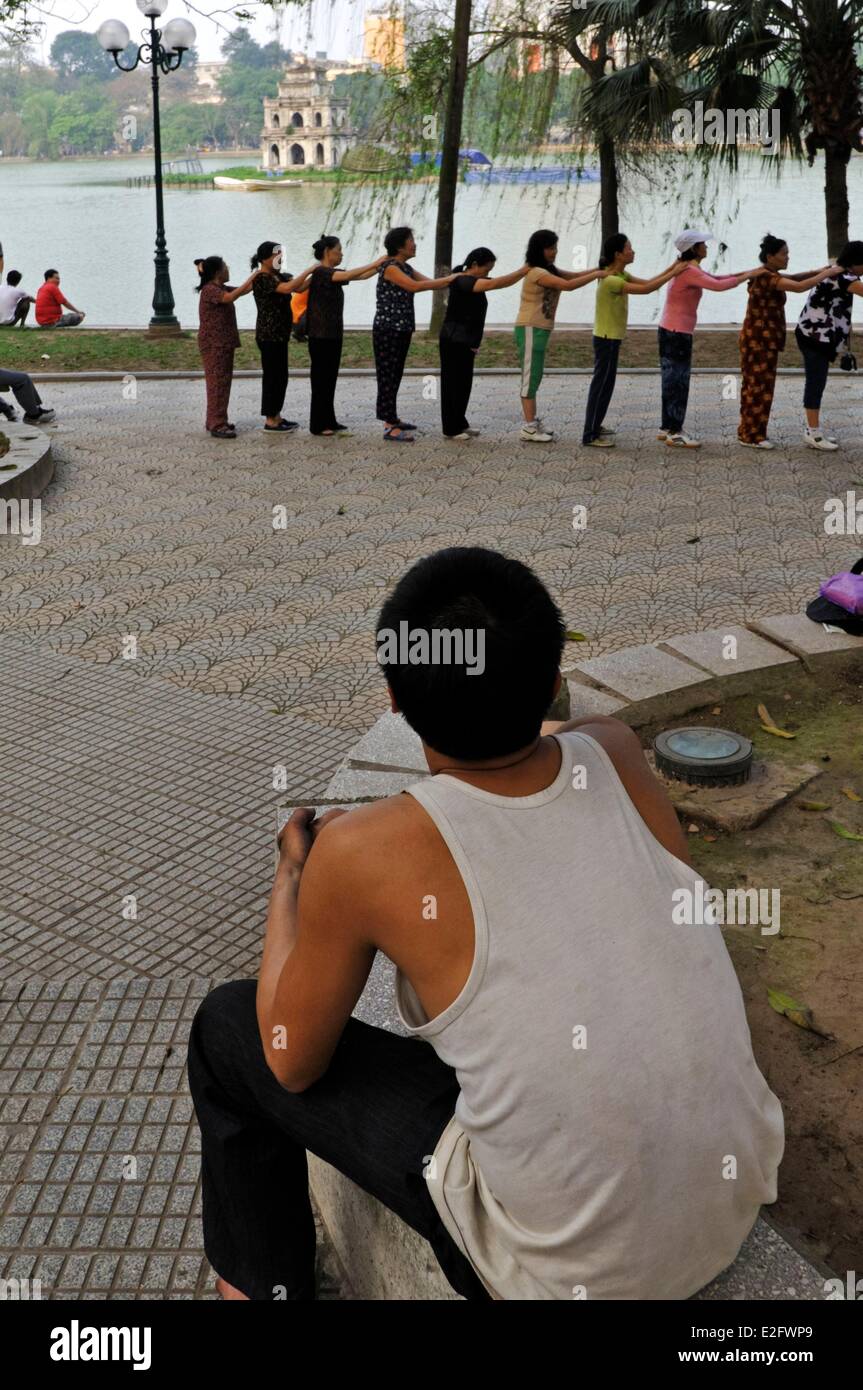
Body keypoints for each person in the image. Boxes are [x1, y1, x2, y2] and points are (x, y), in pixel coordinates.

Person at [188, 545, 785, 1302]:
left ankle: (257, 1287)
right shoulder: (614, 753)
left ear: (394, 699)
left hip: (557, 1271)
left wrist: (295, 877)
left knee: (226, 1029)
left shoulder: (361, 852)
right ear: (553, 683)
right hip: (730, 1198)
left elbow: (290, 1061)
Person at [657, 230, 765, 448]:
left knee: (671, 380)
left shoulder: (689, 269)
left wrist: (749, 272)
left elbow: (716, 278)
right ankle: (675, 432)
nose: (706, 247)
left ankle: (667, 427)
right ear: (694, 248)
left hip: (670, 329)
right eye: (703, 244)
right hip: (677, 333)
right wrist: (748, 275)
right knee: (678, 381)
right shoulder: (689, 271)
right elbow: (718, 286)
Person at [582, 235, 685, 448]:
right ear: (618, 254)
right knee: (601, 386)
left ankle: (595, 425)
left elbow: (649, 282)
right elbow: (647, 290)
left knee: (606, 385)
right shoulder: (612, 280)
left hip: (611, 338)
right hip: (606, 339)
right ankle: (589, 434)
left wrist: (675, 265)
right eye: (629, 248)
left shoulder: (620, 274)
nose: (633, 251)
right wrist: (674, 273)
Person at [737, 236, 840, 450]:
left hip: (764, 340)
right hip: (759, 341)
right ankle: (751, 436)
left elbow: (794, 277)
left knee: (758, 386)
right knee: (757, 387)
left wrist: (817, 271)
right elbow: (799, 286)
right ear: (770, 256)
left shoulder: (768, 274)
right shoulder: (766, 277)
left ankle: (750, 433)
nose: (787, 257)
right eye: (783, 253)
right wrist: (826, 274)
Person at [515, 229, 607, 443]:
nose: (554, 252)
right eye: (550, 248)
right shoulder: (537, 272)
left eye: (555, 248)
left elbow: (572, 276)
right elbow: (568, 286)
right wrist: (597, 275)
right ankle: (528, 427)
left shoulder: (549, 269)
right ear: (539, 249)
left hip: (540, 330)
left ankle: (533, 422)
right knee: (529, 378)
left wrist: (598, 269)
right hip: (529, 328)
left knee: (535, 376)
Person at [373, 226, 456, 442]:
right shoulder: (390, 267)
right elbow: (414, 287)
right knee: (388, 375)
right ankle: (389, 425)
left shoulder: (405, 267)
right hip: (388, 329)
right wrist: (451, 279)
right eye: (411, 240)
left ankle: (392, 418)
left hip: (402, 328)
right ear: (400, 245)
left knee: (395, 373)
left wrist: (454, 281)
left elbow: (427, 282)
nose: (415, 243)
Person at [438, 248, 528, 440]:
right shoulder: (461, 280)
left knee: (463, 383)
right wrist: (523, 270)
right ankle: (451, 428)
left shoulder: (474, 281)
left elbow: (501, 282)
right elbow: (496, 283)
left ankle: (460, 422)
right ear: (475, 265)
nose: (489, 274)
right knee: (452, 384)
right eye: (487, 269)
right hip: (453, 340)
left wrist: (523, 272)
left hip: (465, 340)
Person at [306, 236, 386, 436]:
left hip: (332, 334)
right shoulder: (321, 272)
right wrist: (376, 262)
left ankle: (329, 420)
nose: (341, 253)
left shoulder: (332, 273)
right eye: (339, 250)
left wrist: (382, 266)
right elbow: (351, 274)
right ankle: (318, 424)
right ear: (328, 252)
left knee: (330, 378)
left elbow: (359, 276)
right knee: (321, 379)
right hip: (320, 335)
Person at [795, 239, 863, 451]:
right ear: (856, 262)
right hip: (815, 337)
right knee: (816, 381)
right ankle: (813, 433)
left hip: (813, 333)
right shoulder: (844, 277)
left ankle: (812, 429)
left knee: (817, 381)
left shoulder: (837, 271)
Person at [250, 241, 316, 433]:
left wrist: (318, 274)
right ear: (264, 258)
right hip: (268, 335)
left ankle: (276, 416)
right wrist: (311, 269)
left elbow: (300, 287)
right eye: (275, 255)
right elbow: (288, 289)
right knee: (273, 376)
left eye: (281, 254)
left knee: (281, 376)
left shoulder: (277, 276)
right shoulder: (262, 278)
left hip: (279, 335)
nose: (280, 258)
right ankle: (270, 420)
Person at [195, 256, 259, 439]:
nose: (228, 268)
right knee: (217, 383)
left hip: (223, 343)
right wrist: (255, 275)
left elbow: (243, 290)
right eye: (225, 266)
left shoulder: (219, 288)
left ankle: (216, 419)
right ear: (217, 272)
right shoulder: (210, 290)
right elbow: (231, 297)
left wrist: (260, 277)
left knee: (222, 382)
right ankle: (216, 423)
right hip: (214, 344)